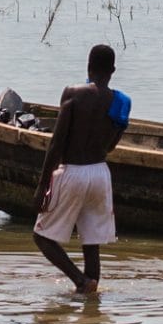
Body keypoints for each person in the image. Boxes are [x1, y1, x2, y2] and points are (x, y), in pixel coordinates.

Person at [32, 42, 128, 294]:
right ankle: (90, 305)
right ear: (113, 70)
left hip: (73, 170)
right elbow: (110, 146)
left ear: (88, 66)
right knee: (91, 243)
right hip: (100, 173)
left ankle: (81, 281)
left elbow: (57, 142)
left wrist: (43, 184)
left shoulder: (73, 93)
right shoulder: (119, 102)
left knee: (42, 237)